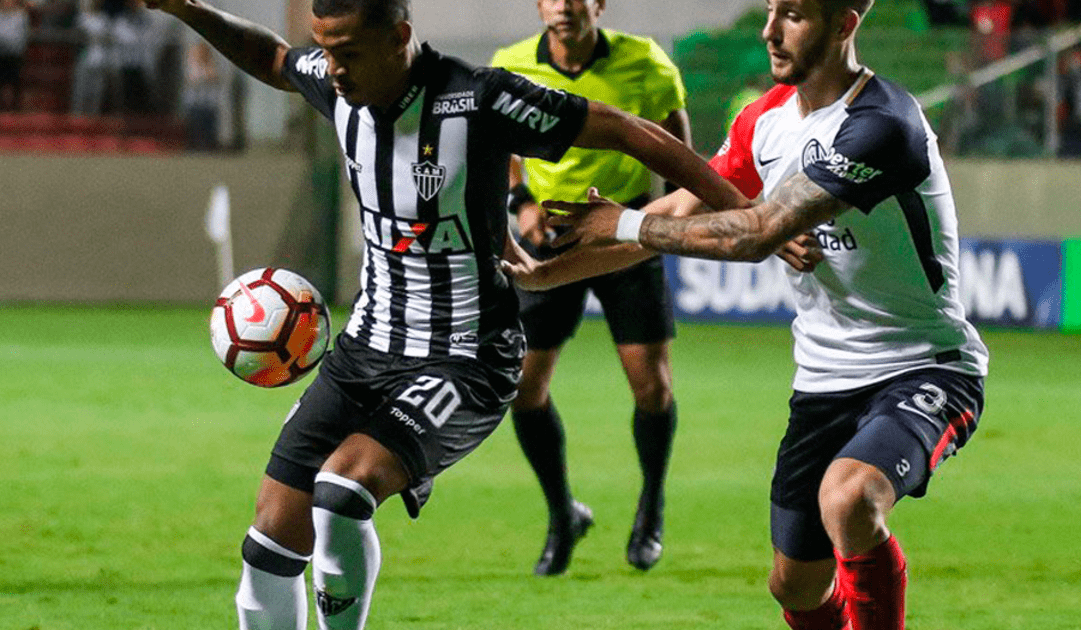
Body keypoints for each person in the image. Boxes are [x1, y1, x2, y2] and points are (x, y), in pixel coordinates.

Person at [144, 1, 748, 629]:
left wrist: (742, 211)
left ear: (400, 37)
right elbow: (271, 57)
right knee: (267, 544)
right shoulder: (337, 83)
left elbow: (625, 129)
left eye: (349, 51)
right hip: (364, 351)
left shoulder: (477, 98)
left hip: (465, 357)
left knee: (341, 495)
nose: (335, 69)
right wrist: (184, 7)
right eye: (325, 49)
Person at [515, 1, 990, 628]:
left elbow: (755, 233)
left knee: (849, 499)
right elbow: (672, 222)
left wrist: (626, 217)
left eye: (792, 15)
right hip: (822, 384)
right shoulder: (762, 122)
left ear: (844, 25)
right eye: (769, 11)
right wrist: (543, 272)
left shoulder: (882, 123)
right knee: (793, 588)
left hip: (926, 367)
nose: (769, 31)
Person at [489, 0, 691, 576]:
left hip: (625, 233)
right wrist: (521, 203)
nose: (563, 6)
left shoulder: (646, 63)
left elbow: (678, 153)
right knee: (523, 387)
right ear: (538, 5)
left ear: (598, 4)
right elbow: (499, 144)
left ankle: (650, 508)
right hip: (550, 236)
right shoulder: (511, 66)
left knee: (651, 386)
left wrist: (658, 222)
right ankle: (562, 514)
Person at [0, 0, 29, 112]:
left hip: (13, 56)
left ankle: (10, 109)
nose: (7, 2)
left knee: (11, 82)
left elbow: (22, 37)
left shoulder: (21, 15)